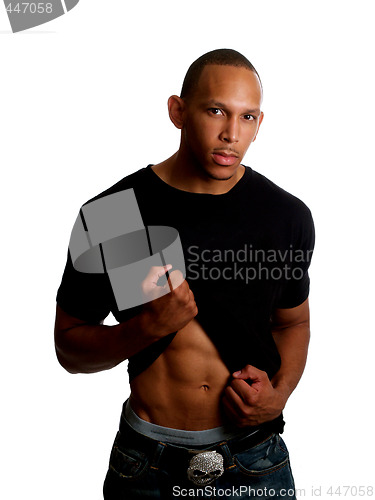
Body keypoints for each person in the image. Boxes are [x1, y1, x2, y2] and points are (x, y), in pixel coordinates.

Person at [55, 49, 315, 499]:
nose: (231, 134)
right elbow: (69, 349)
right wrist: (146, 328)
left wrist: (281, 394)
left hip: (254, 461)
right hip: (145, 464)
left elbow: (293, 321)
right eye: (215, 111)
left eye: (247, 117)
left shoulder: (284, 215)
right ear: (178, 111)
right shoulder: (114, 215)